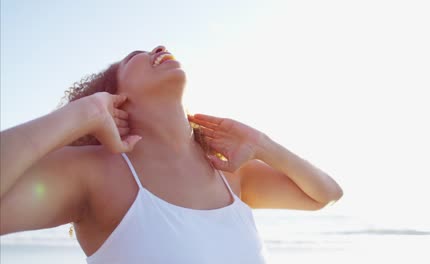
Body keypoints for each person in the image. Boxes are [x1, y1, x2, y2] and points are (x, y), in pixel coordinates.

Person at [0, 45, 343, 263]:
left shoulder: (229, 172)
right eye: (136, 56)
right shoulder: (94, 172)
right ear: (116, 96)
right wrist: (77, 115)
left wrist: (264, 143)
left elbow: (325, 194)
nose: (159, 48)